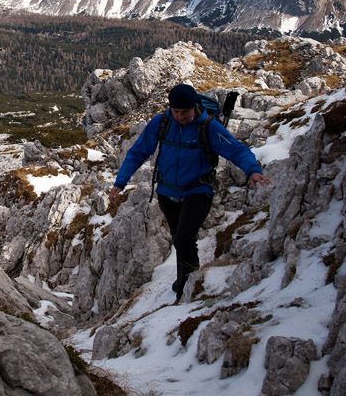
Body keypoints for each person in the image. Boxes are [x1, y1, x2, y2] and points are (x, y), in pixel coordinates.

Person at [108, 83, 270, 302]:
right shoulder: (162, 122)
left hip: (198, 191)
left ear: (194, 107)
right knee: (179, 238)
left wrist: (252, 170)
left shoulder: (208, 126)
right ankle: (186, 279)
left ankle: (188, 287)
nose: (181, 116)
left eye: (185, 111)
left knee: (185, 239)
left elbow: (236, 149)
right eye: (176, 111)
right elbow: (138, 152)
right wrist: (120, 182)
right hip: (167, 193)